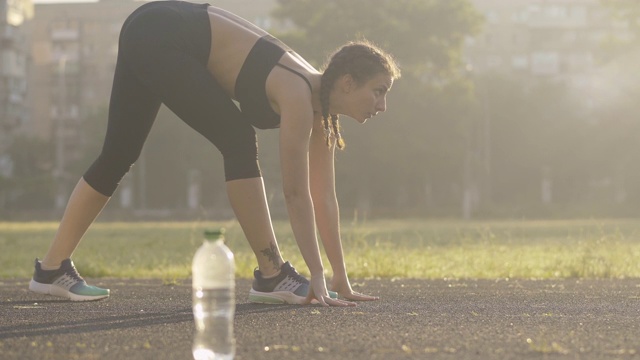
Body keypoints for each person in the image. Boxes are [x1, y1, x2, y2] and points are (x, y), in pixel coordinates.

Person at [29, 0, 400, 306]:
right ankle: (272, 274)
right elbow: (295, 194)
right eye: (379, 91)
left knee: (118, 154)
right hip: (161, 32)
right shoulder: (299, 94)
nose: (382, 106)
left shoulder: (320, 110)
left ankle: (51, 270)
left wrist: (339, 276)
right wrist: (316, 276)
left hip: (151, 27)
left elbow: (324, 197)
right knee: (237, 138)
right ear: (348, 83)